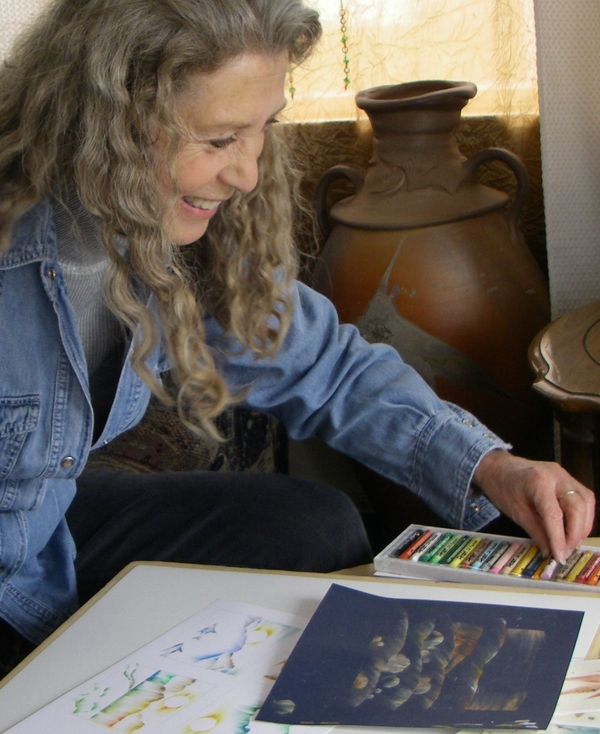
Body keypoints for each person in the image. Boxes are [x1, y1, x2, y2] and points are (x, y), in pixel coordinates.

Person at [0, 0, 594, 678]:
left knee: (312, 524)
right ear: (107, 123)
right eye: (220, 140)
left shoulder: (173, 237)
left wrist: (493, 467)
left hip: (42, 529)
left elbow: (323, 365)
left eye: (262, 130)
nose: (247, 173)